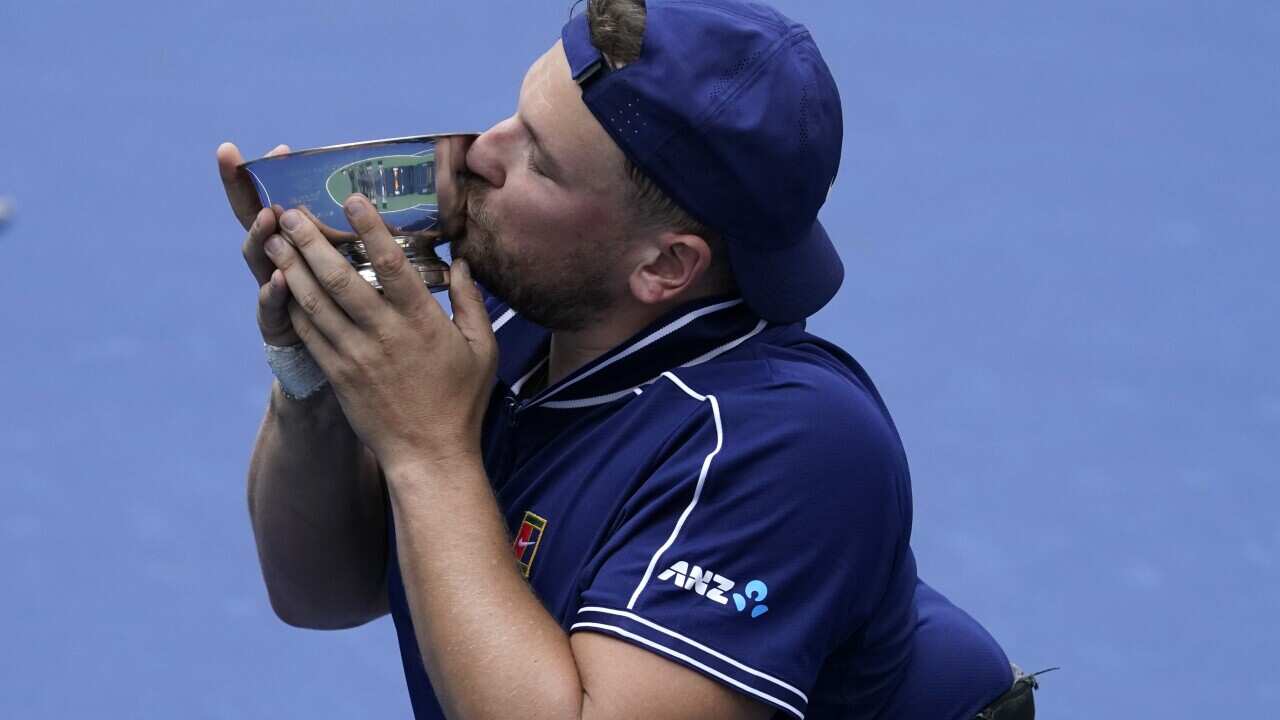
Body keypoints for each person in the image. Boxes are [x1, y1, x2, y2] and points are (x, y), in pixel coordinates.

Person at [216, 1, 1037, 718]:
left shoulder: (797, 447)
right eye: (515, 115)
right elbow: (321, 590)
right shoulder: (519, 313)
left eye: (540, 160)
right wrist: (314, 375)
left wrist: (428, 447)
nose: (481, 152)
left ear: (665, 266)